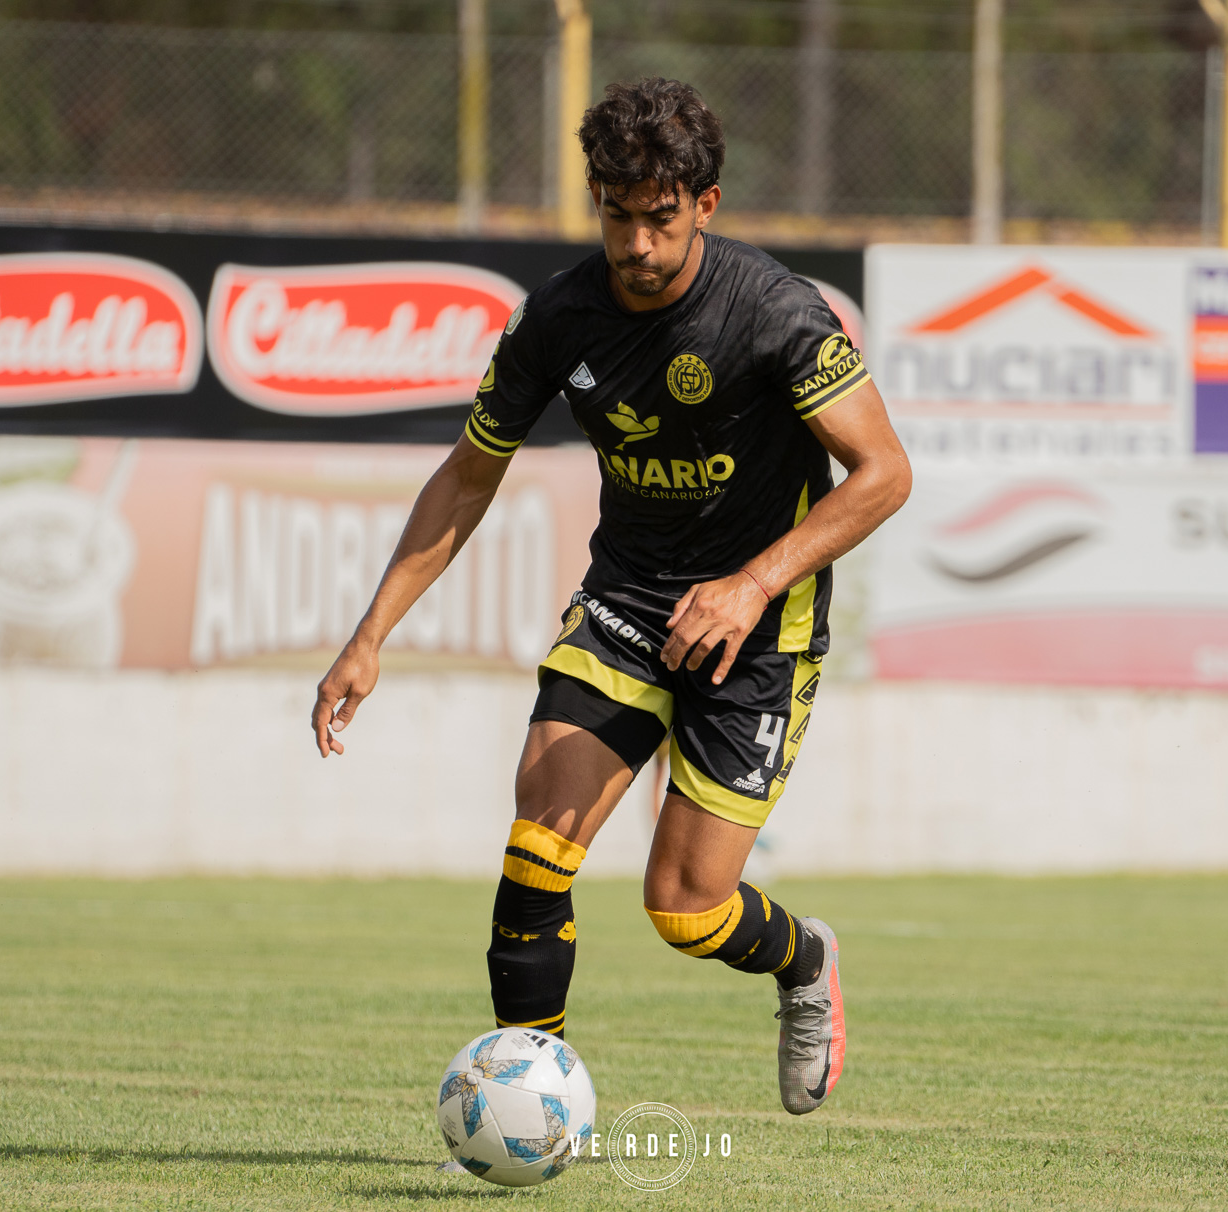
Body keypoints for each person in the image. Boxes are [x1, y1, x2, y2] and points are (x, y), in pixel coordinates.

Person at [311, 77, 910, 1116]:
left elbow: (885, 474)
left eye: (660, 220)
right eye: (618, 215)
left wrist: (752, 582)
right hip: (628, 605)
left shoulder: (774, 312)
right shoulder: (559, 317)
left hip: (761, 630)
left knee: (685, 909)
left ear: (706, 206)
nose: (637, 244)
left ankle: (805, 959)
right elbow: (468, 476)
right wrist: (370, 636)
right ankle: (532, 1108)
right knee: (536, 847)